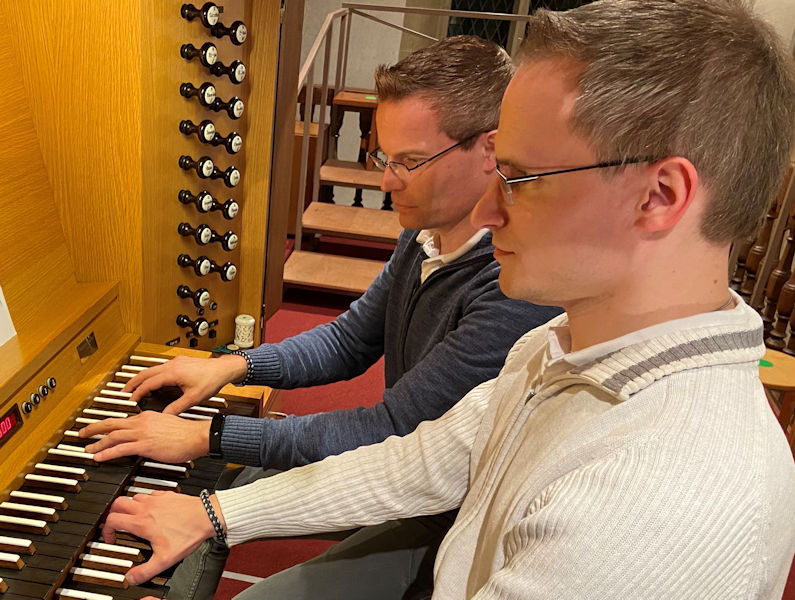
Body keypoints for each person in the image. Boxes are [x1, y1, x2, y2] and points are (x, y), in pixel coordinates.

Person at [101, 0, 795, 597]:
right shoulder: (557, 346)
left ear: (659, 196)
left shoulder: (658, 501)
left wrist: (212, 458)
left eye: (520, 178)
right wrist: (217, 514)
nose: (489, 211)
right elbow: (424, 459)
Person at [81, 35, 560, 600]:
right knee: (236, 478)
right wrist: (234, 366)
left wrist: (208, 435)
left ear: (489, 149)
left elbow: (392, 431)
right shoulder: (425, 233)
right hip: (396, 462)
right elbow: (348, 341)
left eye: (409, 162)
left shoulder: (513, 286)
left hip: (447, 512)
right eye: (383, 158)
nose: (387, 181)